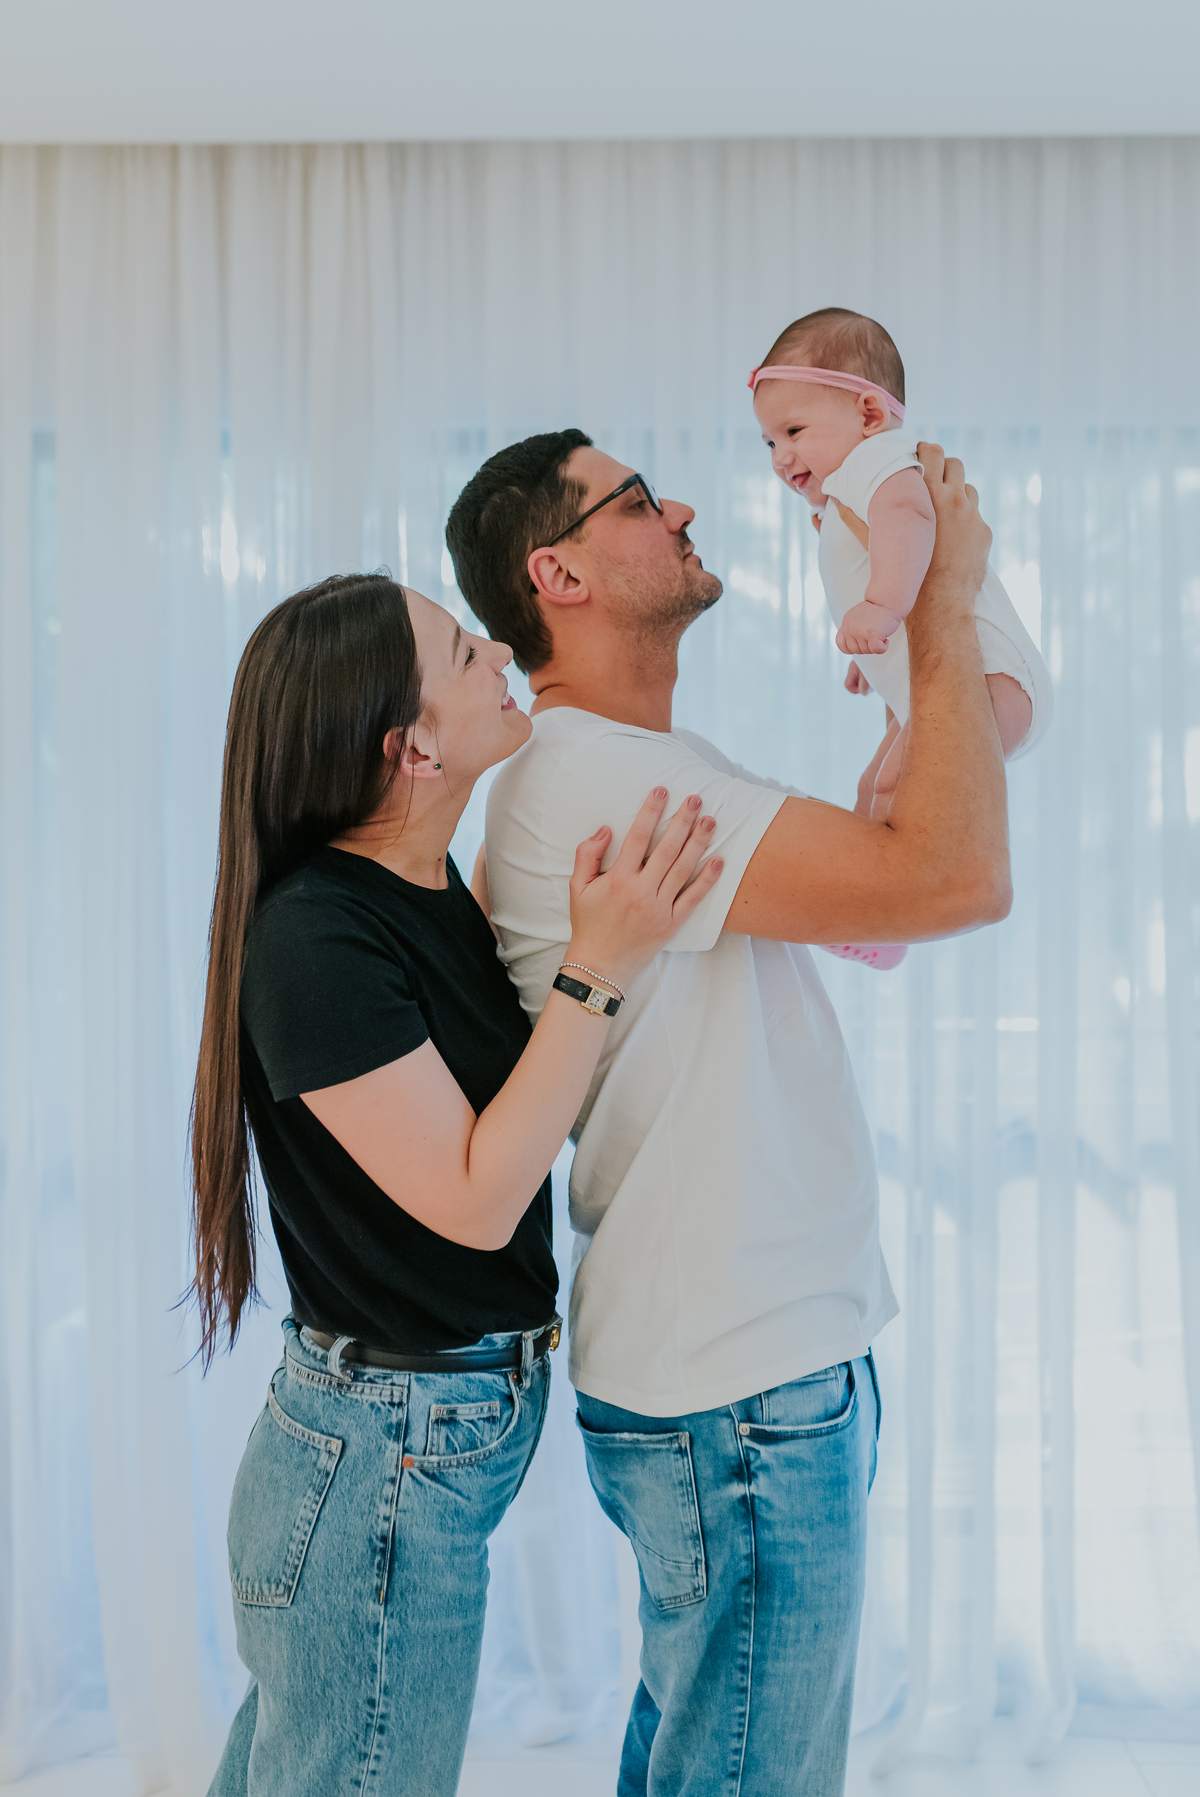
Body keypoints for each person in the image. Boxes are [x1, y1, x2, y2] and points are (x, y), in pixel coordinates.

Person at [445, 434, 1011, 1796]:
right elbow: (955, 879)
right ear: (559, 575)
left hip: (746, 1370)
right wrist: (941, 604)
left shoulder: (640, 760)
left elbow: (895, 901)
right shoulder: (594, 775)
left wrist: (881, 827)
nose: (684, 506)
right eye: (641, 500)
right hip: (739, 1383)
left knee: (710, 1753)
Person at [191, 571, 721, 1797]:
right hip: (378, 1455)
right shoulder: (315, 937)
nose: (498, 651)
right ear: (412, 745)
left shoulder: (426, 891)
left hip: (411, 1442)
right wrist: (598, 967)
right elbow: (478, 1199)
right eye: (461, 648)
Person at [751, 306, 1052, 812]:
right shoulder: (850, 489)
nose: (780, 457)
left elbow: (909, 517)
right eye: (769, 442)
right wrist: (873, 656)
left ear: (869, 415)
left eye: (794, 431)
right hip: (955, 684)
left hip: (987, 680)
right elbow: (894, 560)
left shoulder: (875, 457)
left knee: (894, 795)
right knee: (872, 792)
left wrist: (880, 608)